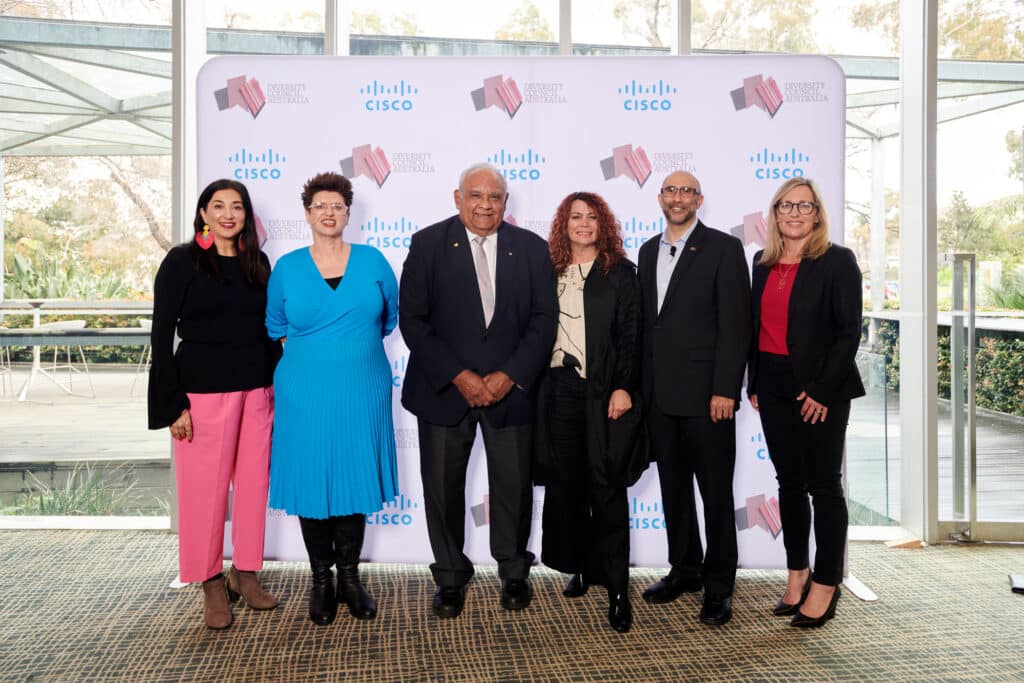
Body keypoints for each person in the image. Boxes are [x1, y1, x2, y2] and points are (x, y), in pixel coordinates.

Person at [399, 163, 557, 618]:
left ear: (506, 202)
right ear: (457, 197)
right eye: (476, 195)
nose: (485, 205)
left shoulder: (530, 248)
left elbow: (543, 321)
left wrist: (508, 375)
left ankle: (513, 572)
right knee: (442, 488)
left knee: (512, 487)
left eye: (495, 197)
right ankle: (449, 576)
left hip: (512, 390)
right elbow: (414, 319)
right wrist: (460, 376)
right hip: (444, 391)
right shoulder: (428, 244)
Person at [266, 172, 399, 626]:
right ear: (307, 214)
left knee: (352, 481)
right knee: (312, 484)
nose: (329, 213)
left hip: (362, 388)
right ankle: (320, 581)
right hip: (304, 392)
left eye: (338, 206)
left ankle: (350, 579)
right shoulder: (286, 267)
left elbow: (389, 318)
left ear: (348, 213)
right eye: (320, 205)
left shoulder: (373, 261)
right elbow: (276, 326)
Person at [148, 178, 279, 630]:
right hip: (202, 393)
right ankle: (209, 581)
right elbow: (161, 335)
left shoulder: (256, 261)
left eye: (237, 207)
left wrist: (280, 385)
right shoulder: (182, 261)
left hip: (258, 390)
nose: (228, 214)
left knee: (252, 487)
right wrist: (171, 405)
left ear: (246, 215)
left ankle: (245, 571)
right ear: (203, 213)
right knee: (204, 492)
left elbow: (270, 328)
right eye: (218, 205)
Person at [747, 177, 865, 628]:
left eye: (804, 206)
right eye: (785, 205)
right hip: (773, 387)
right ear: (775, 213)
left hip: (822, 389)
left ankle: (826, 583)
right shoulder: (762, 262)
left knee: (824, 487)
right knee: (789, 485)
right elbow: (756, 331)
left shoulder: (837, 261)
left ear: (817, 214)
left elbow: (847, 333)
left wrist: (821, 390)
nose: (794, 213)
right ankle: (797, 574)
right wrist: (756, 381)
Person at [637, 170, 751, 626]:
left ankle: (719, 586)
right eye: (670, 190)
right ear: (660, 198)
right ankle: (684, 570)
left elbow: (736, 325)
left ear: (699, 199)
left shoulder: (724, 249)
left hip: (709, 399)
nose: (678, 197)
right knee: (674, 492)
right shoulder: (647, 251)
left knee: (717, 496)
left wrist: (726, 388)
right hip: (660, 398)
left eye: (686, 191)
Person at [535, 192, 642, 633]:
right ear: (564, 223)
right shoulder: (548, 271)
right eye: (575, 217)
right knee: (569, 483)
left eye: (591, 217)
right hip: (558, 390)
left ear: (604, 224)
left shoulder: (620, 273)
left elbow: (633, 337)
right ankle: (580, 566)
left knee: (607, 486)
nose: (583, 224)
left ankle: (617, 586)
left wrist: (624, 387)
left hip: (603, 393)